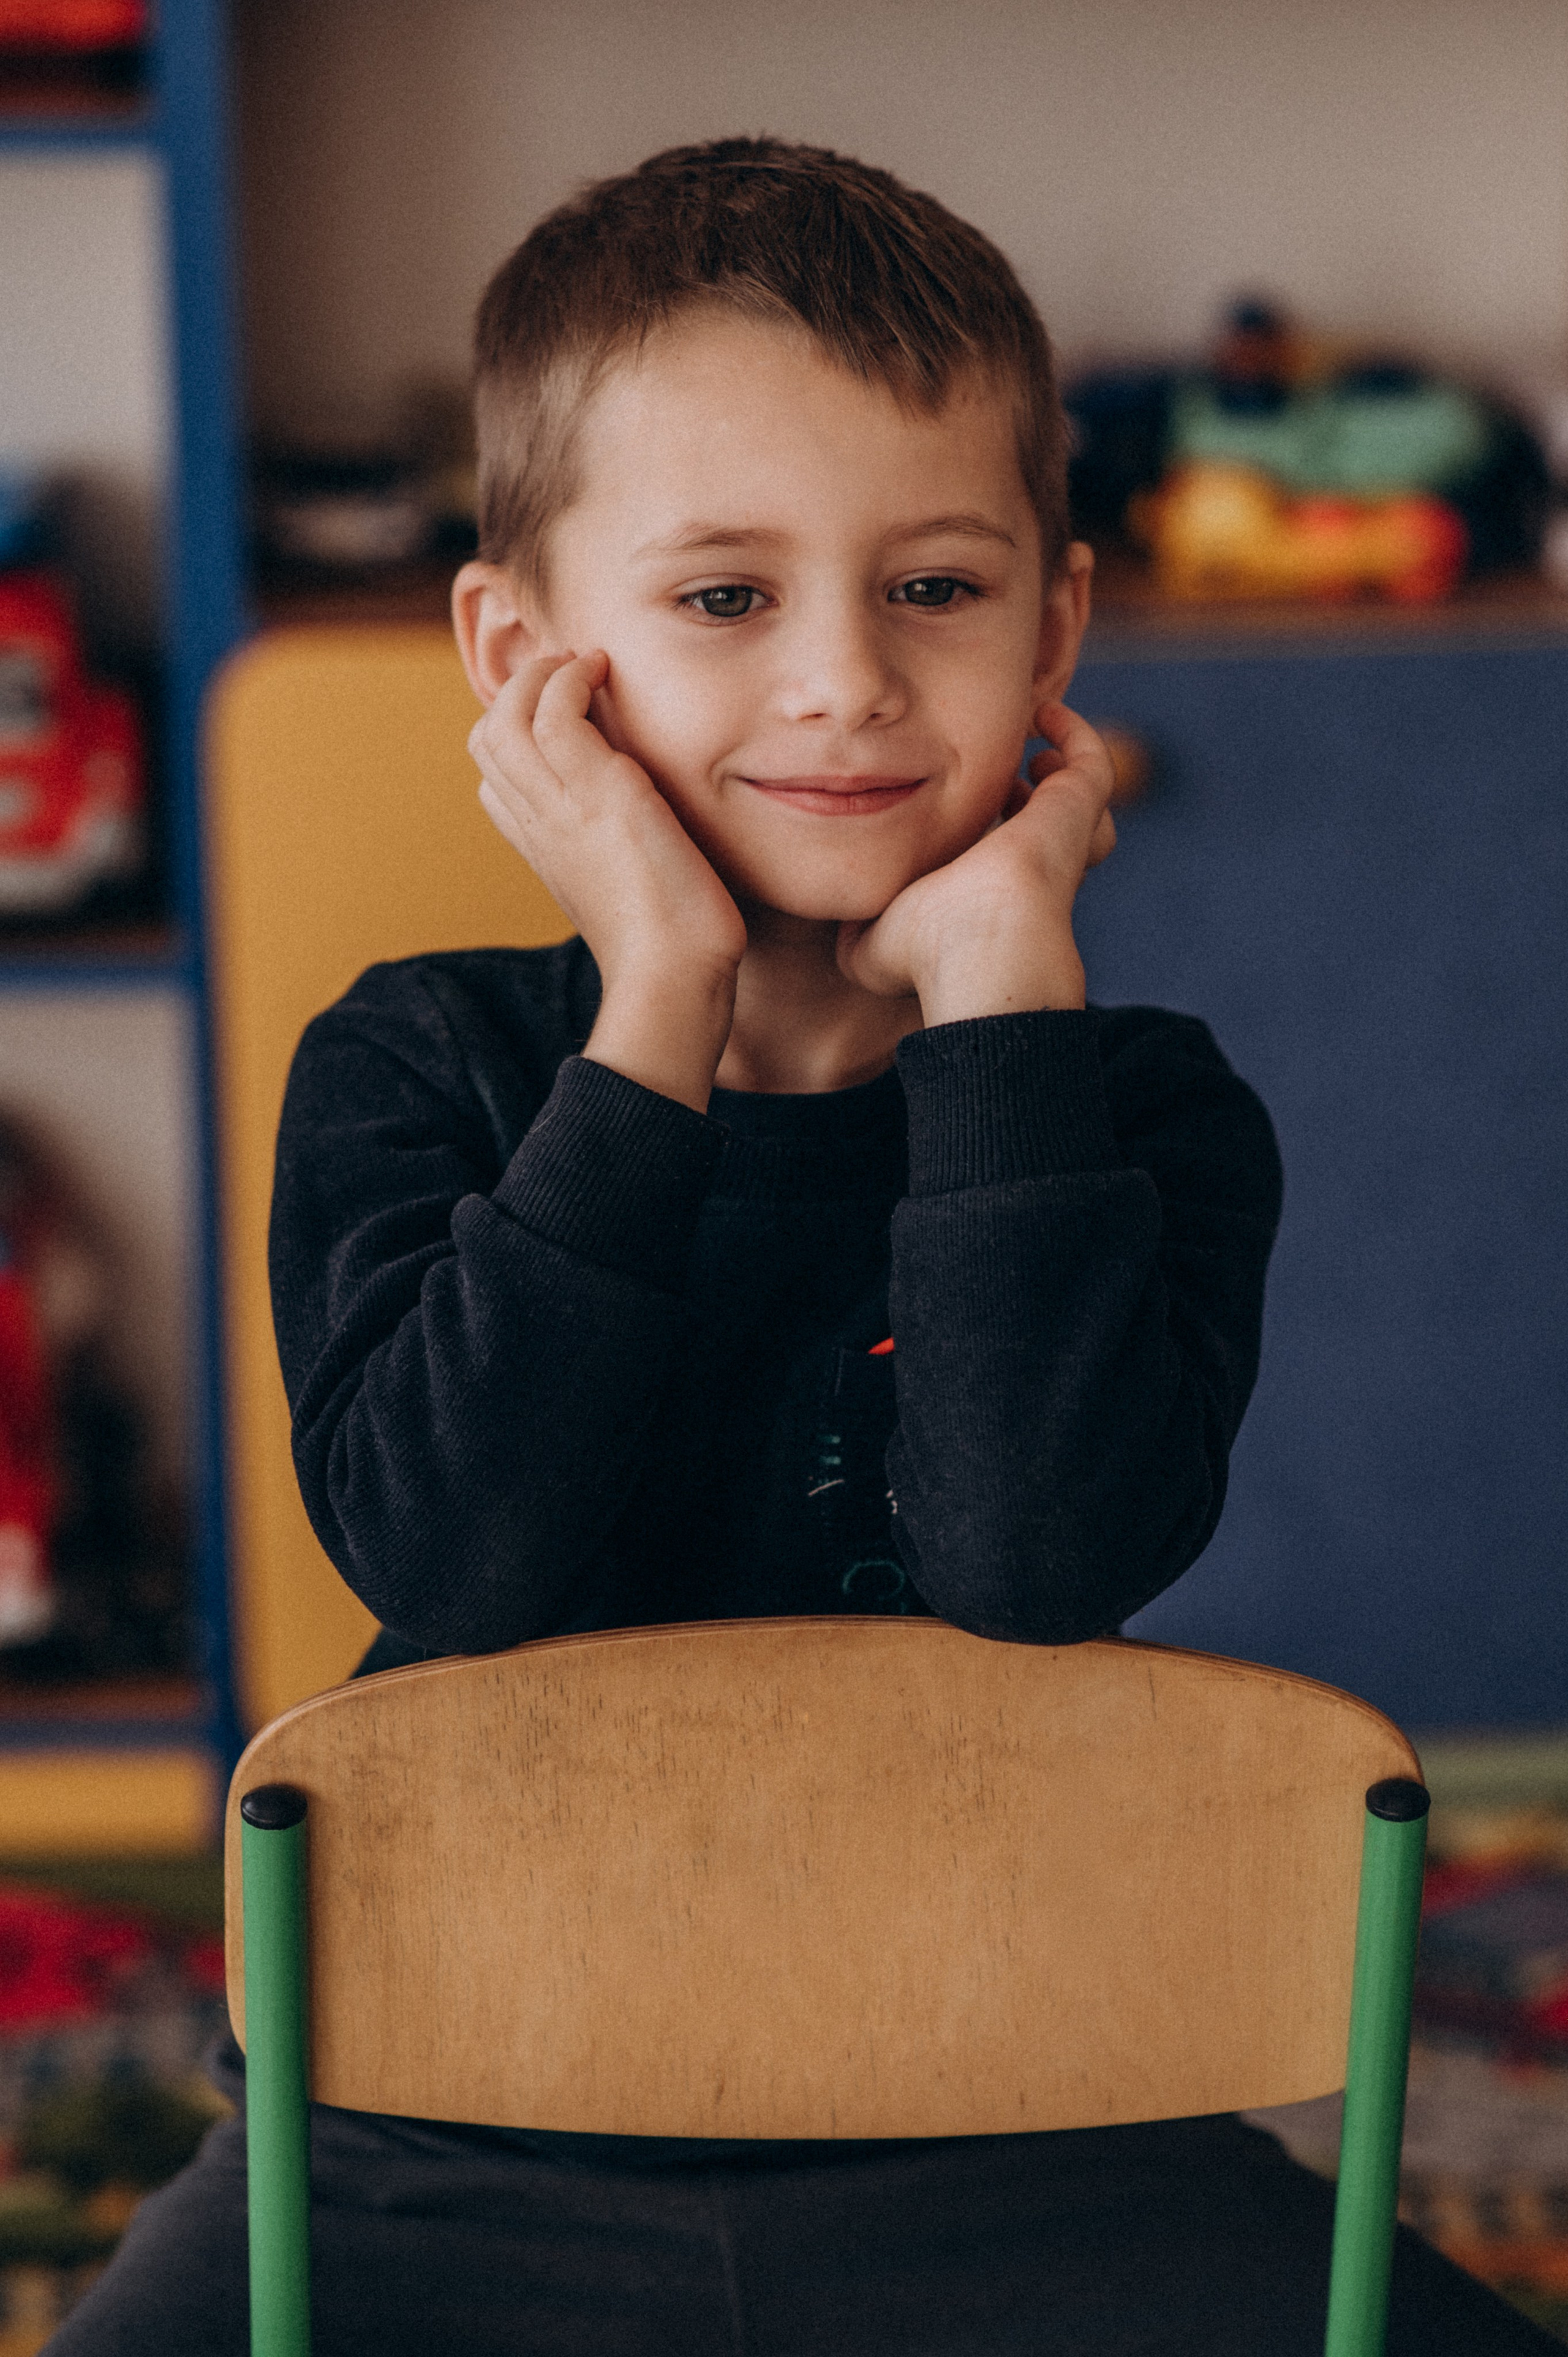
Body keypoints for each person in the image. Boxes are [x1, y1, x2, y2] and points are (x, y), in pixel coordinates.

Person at [49, 137, 1556, 2357]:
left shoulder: (1136, 1112)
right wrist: (655, 996)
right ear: (525, 659)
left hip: (1013, 2107)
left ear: (1056, 628)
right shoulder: (416, 1065)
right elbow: (461, 1561)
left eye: (935, 587)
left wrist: (1004, 1007)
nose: (847, 679)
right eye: (727, 599)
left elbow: (1034, 1567)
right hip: (441, 2127)